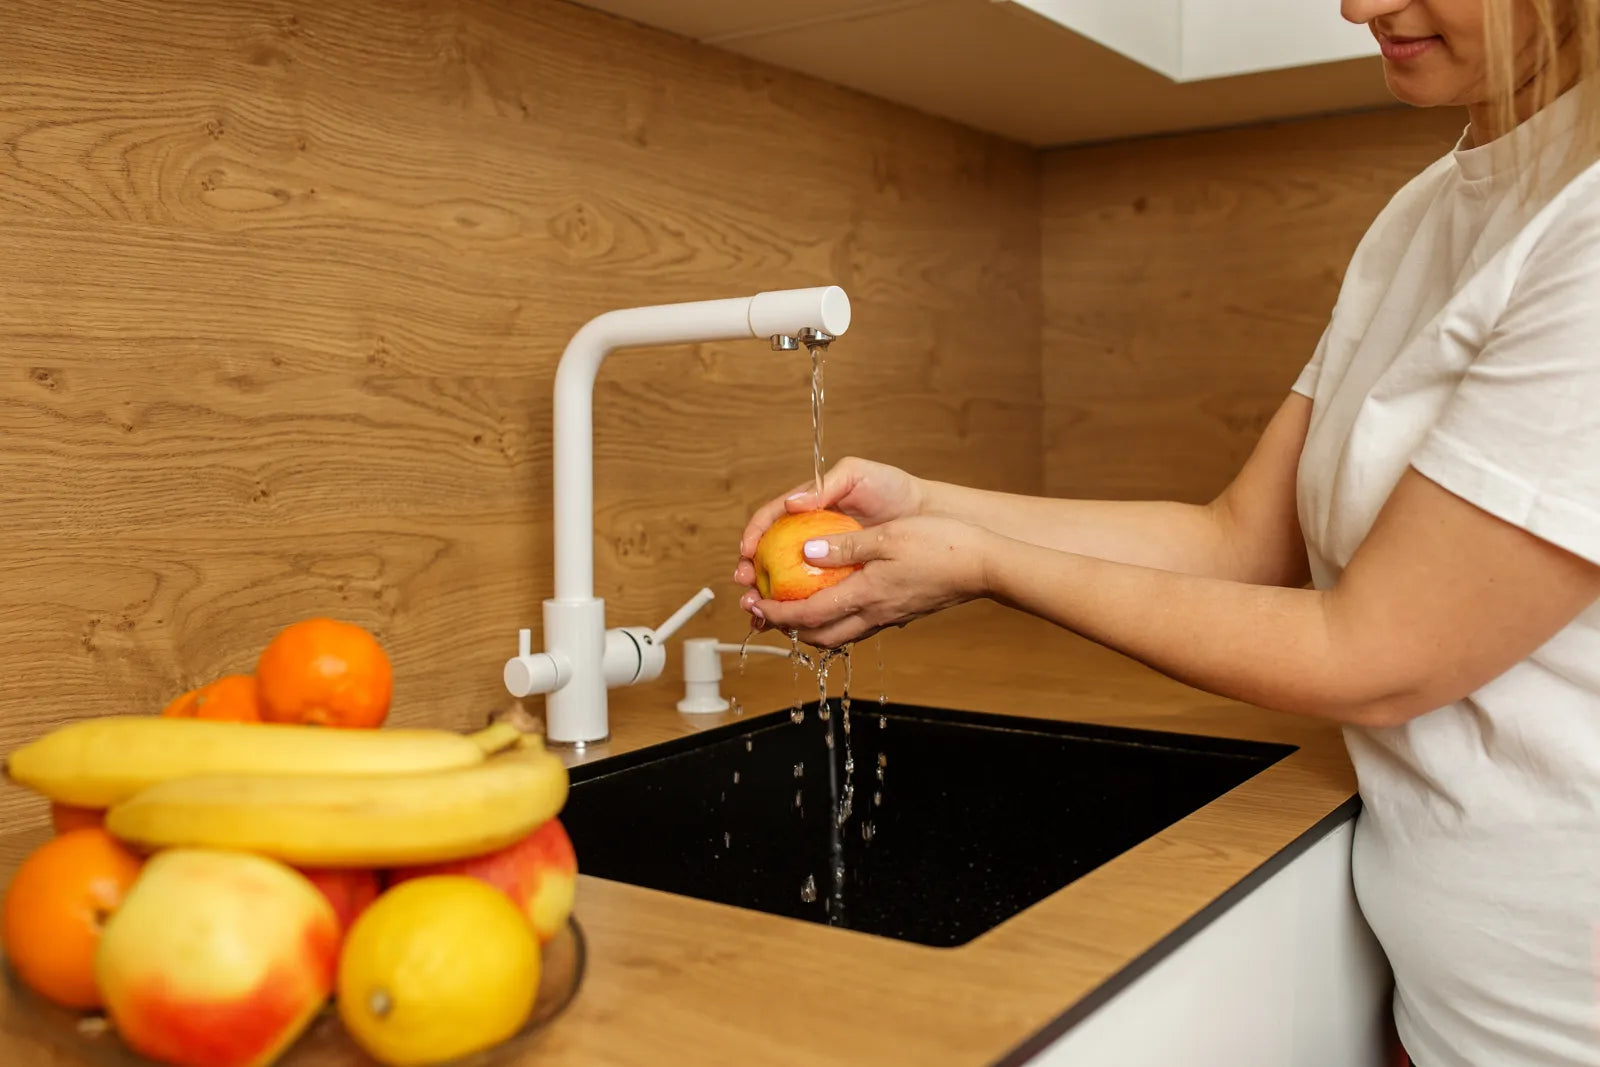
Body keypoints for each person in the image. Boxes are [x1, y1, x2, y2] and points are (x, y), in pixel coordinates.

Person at [734, 2, 1600, 1064]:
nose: (1357, 5)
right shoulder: (1423, 213)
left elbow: (1376, 654)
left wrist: (986, 563)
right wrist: (932, 508)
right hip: (1452, 1009)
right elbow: (1241, 541)